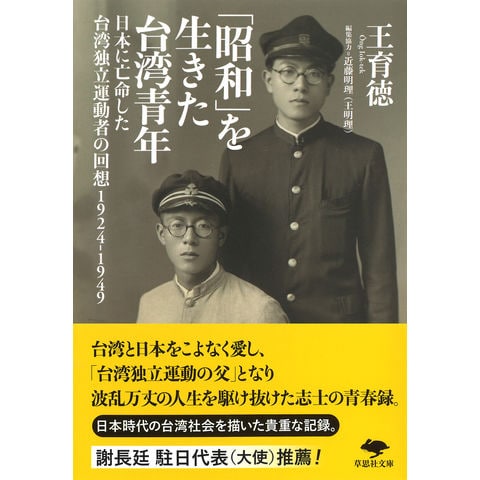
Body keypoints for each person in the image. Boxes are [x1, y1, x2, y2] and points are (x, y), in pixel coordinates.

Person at [219, 15, 398, 323]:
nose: (300, 85)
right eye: (288, 72)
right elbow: (229, 258)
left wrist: (382, 344)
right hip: (260, 327)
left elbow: (379, 265)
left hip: (338, 331)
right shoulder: (240, 158)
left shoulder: (362, 155)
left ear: (329, 83)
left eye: (313, 73)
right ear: (268, 80)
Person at [137, 169, 289, 323]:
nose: (189, 239)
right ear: (162, 233)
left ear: (221, 235)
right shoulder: (150, 304)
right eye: (177, 225)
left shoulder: (260, 311)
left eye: (203, 226)